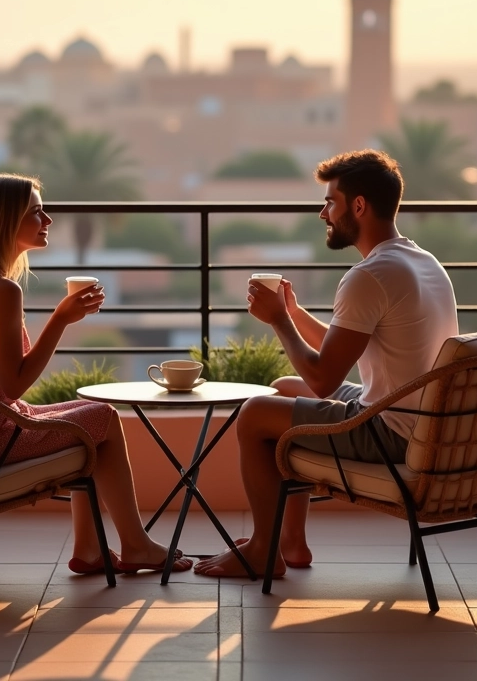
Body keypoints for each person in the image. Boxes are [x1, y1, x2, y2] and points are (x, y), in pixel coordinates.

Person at [194, 150, 458, 578]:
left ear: (358, 206)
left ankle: (263, 550)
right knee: (283, 387)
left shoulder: (367, 277)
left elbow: (322, 379)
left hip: (391, 434)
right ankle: (290, 541)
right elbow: (340, 351)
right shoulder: (421, 262)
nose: (323, 213)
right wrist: (295, 314)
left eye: (330, 202)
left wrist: (277, 321)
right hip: (419, 416)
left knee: (255, 414)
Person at [0, 173, 190, 575]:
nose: (49, 220)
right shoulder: (2, 291)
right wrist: (60, 320)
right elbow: (13, 383)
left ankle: (90, 549)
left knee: (93, 413)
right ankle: (134, 544)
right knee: (103, 417)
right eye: (36, 212)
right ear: (5, 221)